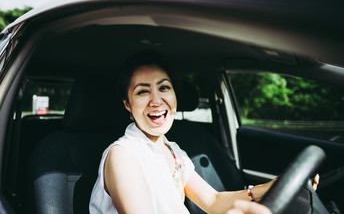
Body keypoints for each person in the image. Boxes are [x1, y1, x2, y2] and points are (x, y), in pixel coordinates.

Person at [88, 52, 285, 213]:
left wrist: (270, 188)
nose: (156, 100)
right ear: (127, 105)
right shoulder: (123, 155)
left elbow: (214, 201)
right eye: (142, 91)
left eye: (164, 87)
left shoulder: (174, 152)